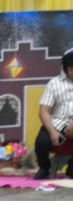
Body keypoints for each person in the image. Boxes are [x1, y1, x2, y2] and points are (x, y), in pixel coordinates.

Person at [35, 48, 73, 179]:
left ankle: (71, 168)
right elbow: (44, 111)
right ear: (68, 70)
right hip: (56, 123)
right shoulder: (54, 84)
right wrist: (52, 132)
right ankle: (44, 167)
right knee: (42, 142)